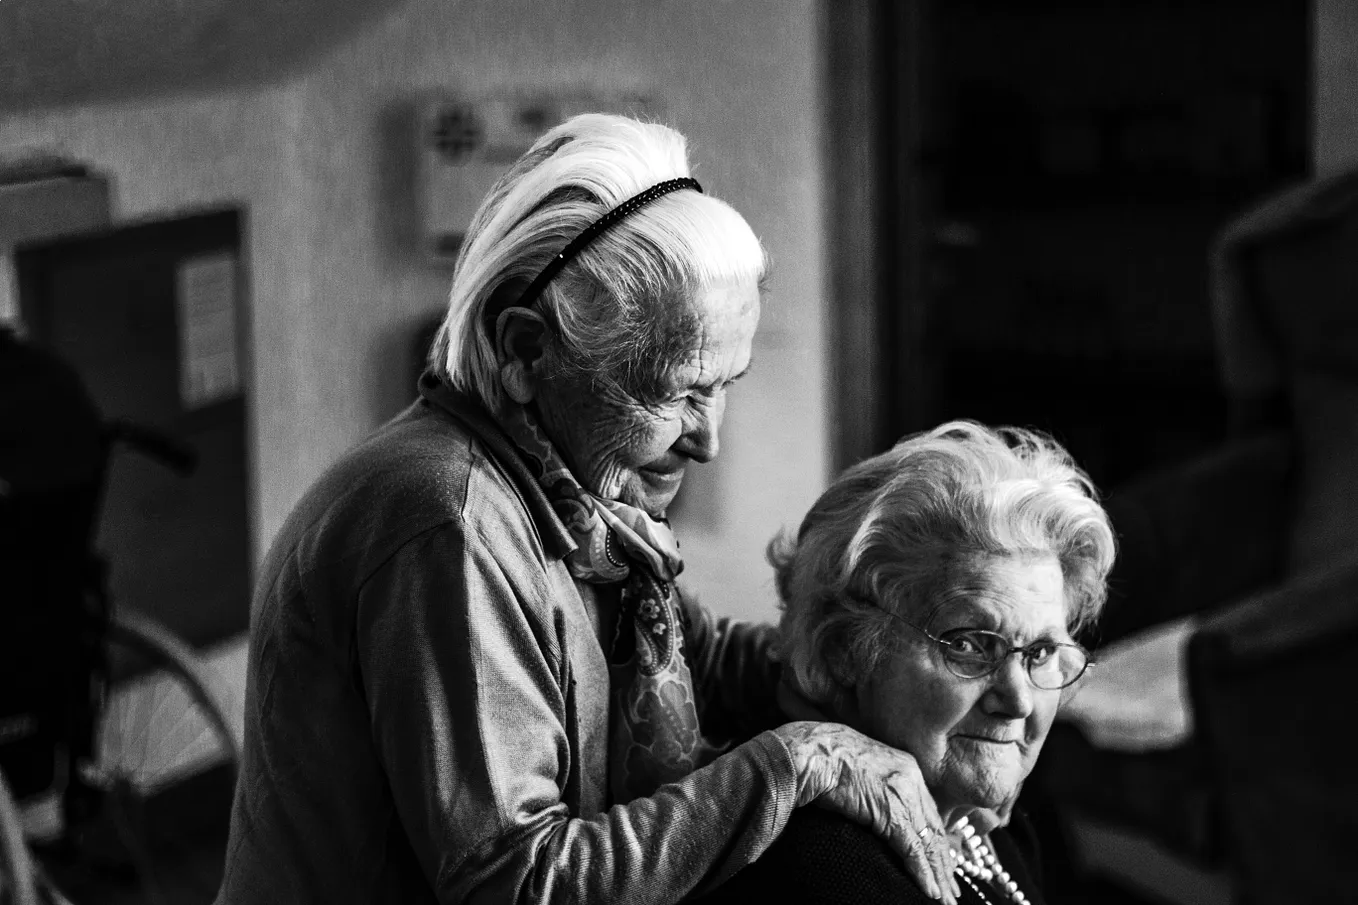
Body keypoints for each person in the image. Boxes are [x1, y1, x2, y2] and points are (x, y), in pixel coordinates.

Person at [215, 114, 962, 905]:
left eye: (724, 387)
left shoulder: (573, 501)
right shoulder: (448, 524)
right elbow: (517, 880)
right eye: (677, 392)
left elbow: (704, 659)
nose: (708, 441)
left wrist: (908, 664)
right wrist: (794, 763)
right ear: (527, 350)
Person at [699, 421, 1116, 904]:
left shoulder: (992, 819)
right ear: (845, 651)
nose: (1018, 700)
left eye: (1040, 653)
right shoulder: (826, 865)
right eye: (970, 645)